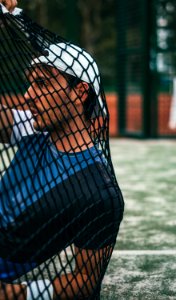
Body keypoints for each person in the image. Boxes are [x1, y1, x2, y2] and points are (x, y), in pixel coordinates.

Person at [0, 1, 124, 299]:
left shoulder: (99, 193)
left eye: (42, 84)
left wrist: (14, 294)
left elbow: (85, 281)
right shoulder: (34, 128)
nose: (28, 95)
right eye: (30, 84)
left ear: (79, 92)